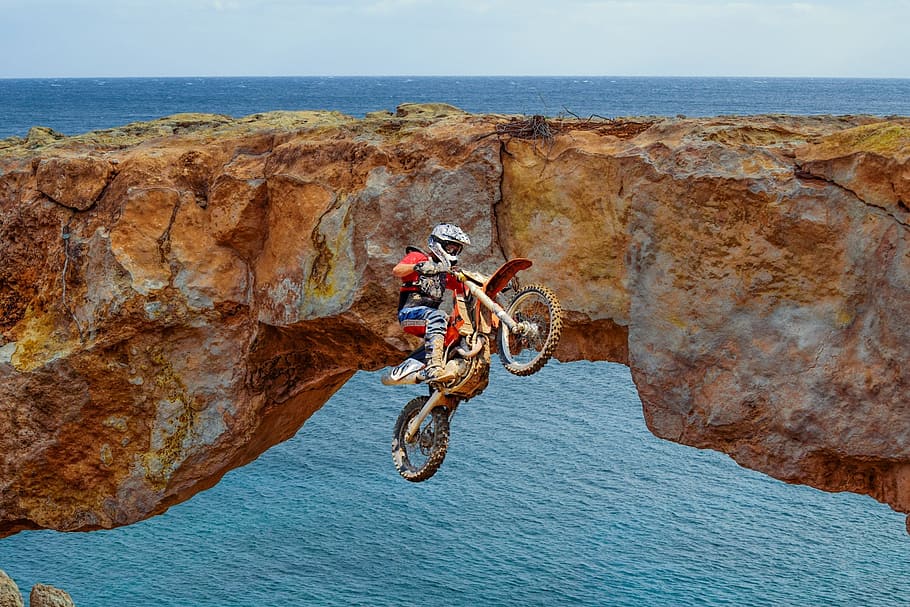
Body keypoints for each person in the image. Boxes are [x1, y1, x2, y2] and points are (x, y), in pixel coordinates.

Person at [392, 223, 472, 381]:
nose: (453, 252)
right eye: (451, 248)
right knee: (438, 316)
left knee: (455, 332)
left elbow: (464, 288)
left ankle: (440, 381)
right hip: (409, 314)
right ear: (439, 243)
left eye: (457, 249)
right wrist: (419, 267)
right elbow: (397, 270)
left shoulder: (444, 273)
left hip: (428, 318)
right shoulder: (419, 257)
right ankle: (433, 368)